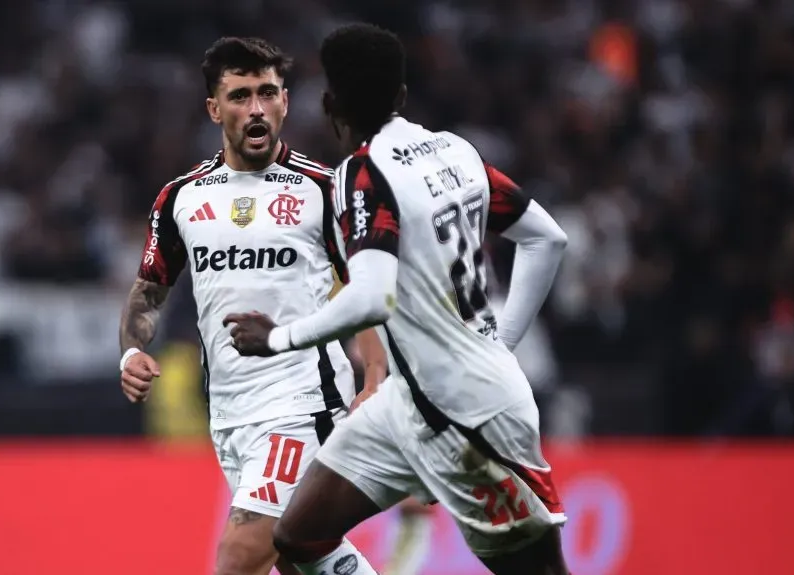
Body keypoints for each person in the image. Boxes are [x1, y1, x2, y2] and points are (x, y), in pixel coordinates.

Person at [225, 23, 570, 575]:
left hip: (469, 419)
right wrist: (499, 341)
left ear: (328, 103)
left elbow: (371, 298)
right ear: (402, 96)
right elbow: (545, 238)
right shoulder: (454, 151)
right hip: (406, 404)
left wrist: (277, 338)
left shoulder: (361, 175)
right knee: (297, 538)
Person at [118, 36, 385, 575]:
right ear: (214, 109)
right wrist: (130, 353)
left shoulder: (324, 189)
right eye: (241, 96)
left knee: (240, 556)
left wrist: (375, 378)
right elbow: (148, 291)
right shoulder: (182, 198)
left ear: (286, 101)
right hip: (229, 415)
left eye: (268, 92)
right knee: (301, 554)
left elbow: (369, 288)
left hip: (303, 404)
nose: (256, 108)